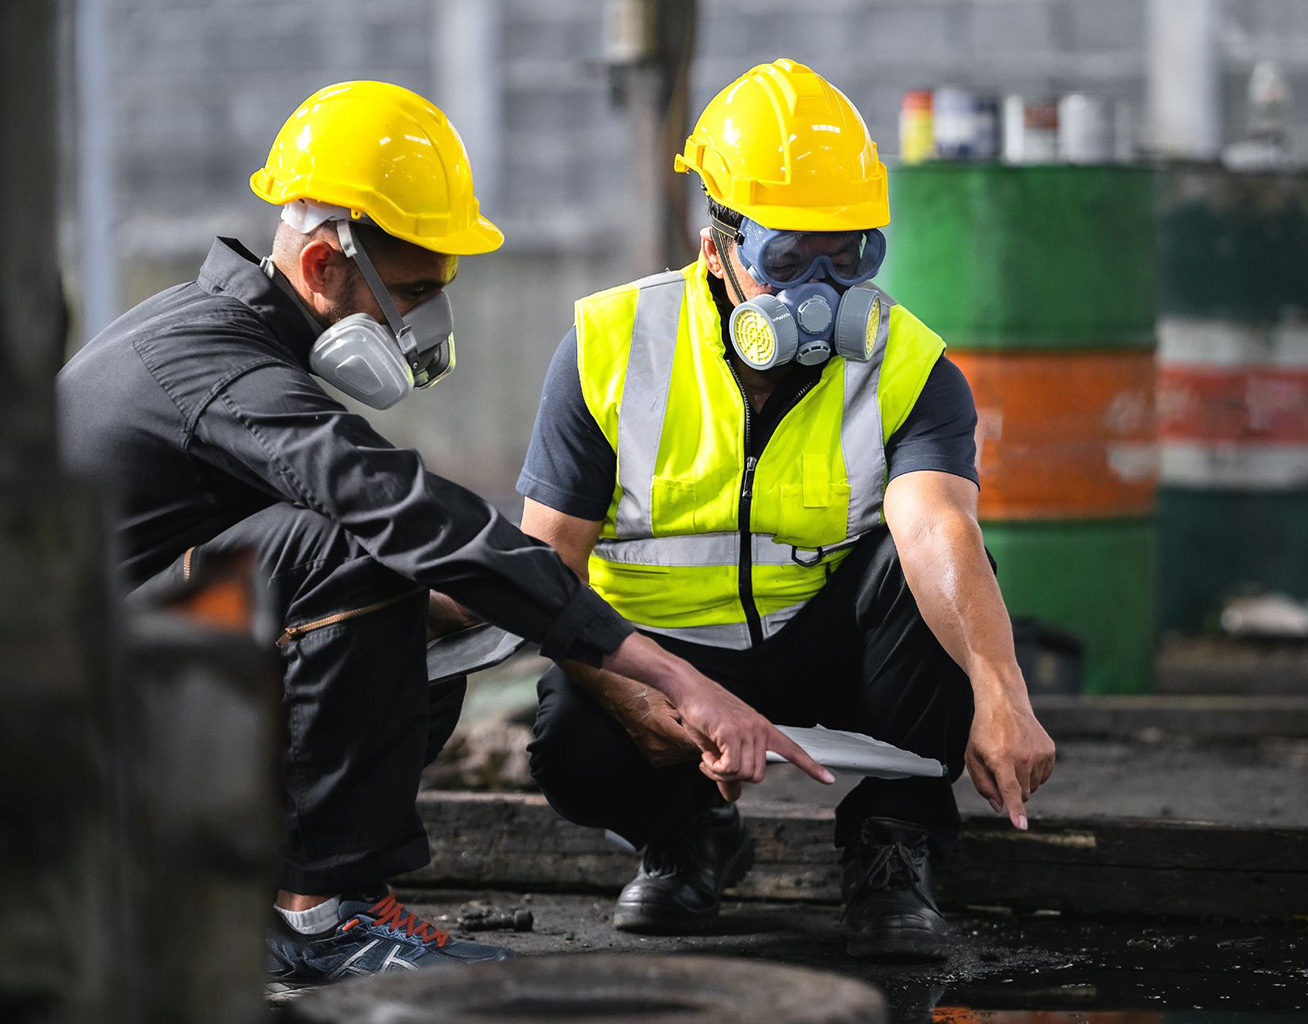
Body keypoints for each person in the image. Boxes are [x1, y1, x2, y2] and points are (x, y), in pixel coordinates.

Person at [56, 80, 829, 989]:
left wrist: (496, 603)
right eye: (414, 291)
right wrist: (662, 669)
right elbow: (395, 504)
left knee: (437, 607)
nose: (423, 322)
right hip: (65, 735)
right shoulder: (211, 361)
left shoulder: (230, 343)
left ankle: (270, 893)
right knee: (363, 549)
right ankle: (321, 918)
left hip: (119, 691)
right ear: (320, 266)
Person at [519, 59, 1056, 963]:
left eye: (848, 257)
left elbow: (935, 529)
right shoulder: (610, 347)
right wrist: (632, 689)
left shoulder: (908, 365)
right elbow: (543, 571)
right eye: (788, 259)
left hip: (821, 648)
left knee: (944, 586)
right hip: (662, 657)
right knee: (571, 736)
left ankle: (893, 849)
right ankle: (686, 838)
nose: (822, 288)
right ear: (716, 249)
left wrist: (1003, 692)